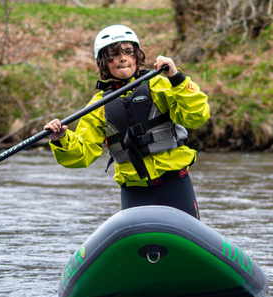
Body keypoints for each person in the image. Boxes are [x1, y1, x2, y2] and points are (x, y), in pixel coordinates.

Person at [43, 24, 210, 219]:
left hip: (175, 183)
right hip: (134, 191)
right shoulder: (97, 106)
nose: (122, 58)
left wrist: (176, 77)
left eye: (128, 52)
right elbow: (81, 154)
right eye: (114, 53)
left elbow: (196, 116)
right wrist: (60, 138)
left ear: (136, 56)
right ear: (102, 62)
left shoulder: (160, 85)